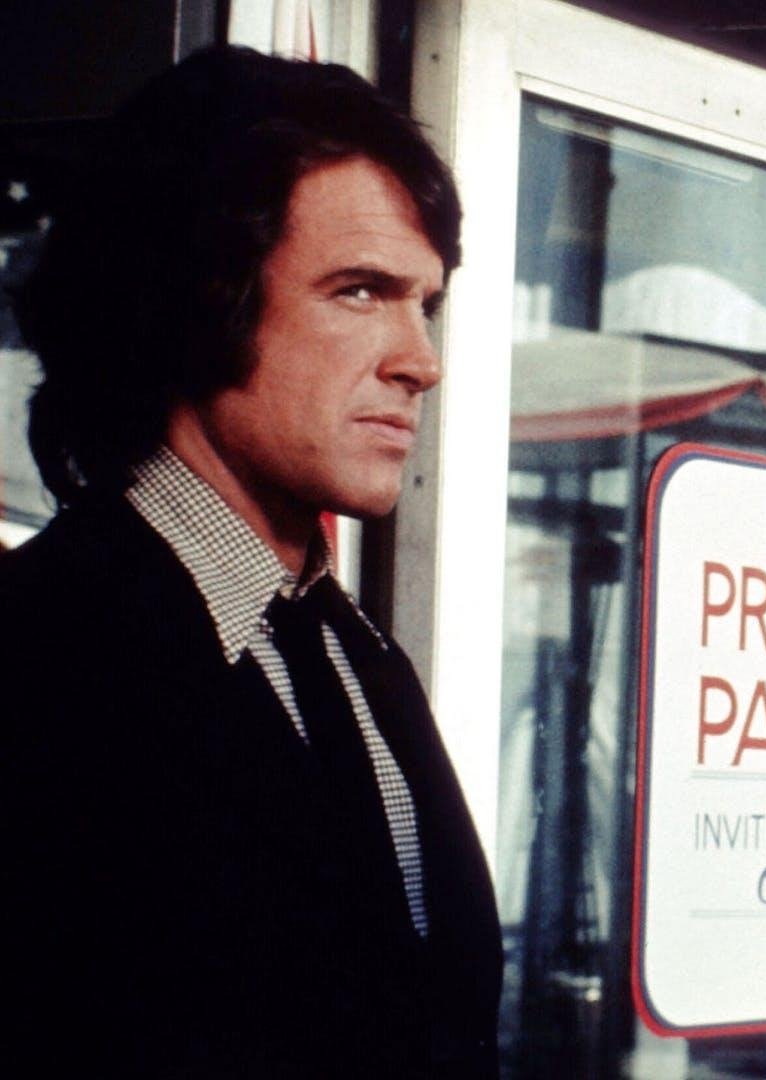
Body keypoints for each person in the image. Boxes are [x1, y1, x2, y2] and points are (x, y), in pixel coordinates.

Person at [0, 47, 500, 1074]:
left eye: (425, 303)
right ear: (195, 299)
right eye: (360, 291)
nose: (421, 360)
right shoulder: (35, 652)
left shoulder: (356, 659)